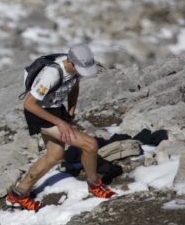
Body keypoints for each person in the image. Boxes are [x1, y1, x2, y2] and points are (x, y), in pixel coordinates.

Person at [7, 44, 116, 212]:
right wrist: (60, 122)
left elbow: (74, 86)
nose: (82, 73)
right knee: (90, 145)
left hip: (56, 110)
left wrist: (71, 112)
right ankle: (94, 184)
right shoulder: (51, 74)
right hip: (40, 114)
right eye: (80, 69)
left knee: (55, 156)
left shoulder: (74, 70)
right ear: (70, 62)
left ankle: (18, 193)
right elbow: (29, 104)